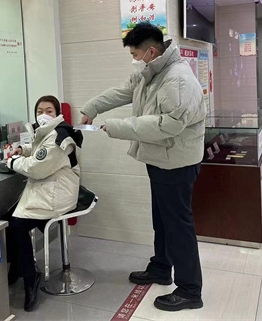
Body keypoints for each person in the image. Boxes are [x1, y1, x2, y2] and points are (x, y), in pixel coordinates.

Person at [80, 23, 207, 312]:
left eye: (136, 54)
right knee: (161, 220)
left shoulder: (177, 80)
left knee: (178, 225)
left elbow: (168, 125)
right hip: (160, 159)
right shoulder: (151, 71)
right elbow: (125, 90)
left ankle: (190, 289)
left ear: (151, 51)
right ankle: (161, 267)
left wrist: (116, 126)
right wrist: (92, 107)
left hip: (177, 163)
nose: (134, 60)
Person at [5, 95, 82, 312]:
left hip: (57, 195)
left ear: (57, 114)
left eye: (49, 111)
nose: (43, 115)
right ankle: (18, 267)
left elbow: (37, 167)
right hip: (49, 189)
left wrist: (12, 161)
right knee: (7, 219)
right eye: (40, 111)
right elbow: (40, 150)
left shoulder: (59, 136)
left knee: (16, 225)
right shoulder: (51, 132)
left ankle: (30, 278)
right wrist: (23, 150)